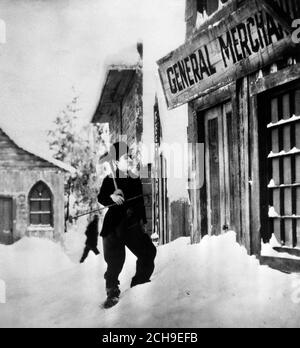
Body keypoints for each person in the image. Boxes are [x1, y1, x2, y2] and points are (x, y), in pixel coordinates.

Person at [98, 142, 157, 308]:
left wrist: (144, 223)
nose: (129, 159)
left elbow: (139, 204)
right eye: (125, 157)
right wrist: (112, 197)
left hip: (131, 225)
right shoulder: (110, 180)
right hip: (113, 227)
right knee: (116, 262)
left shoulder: (134, 179)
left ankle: (139, 284)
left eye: (129, 156)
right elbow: (101, 197)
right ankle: (112, 291)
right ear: (116, 163)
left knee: (149, 251)